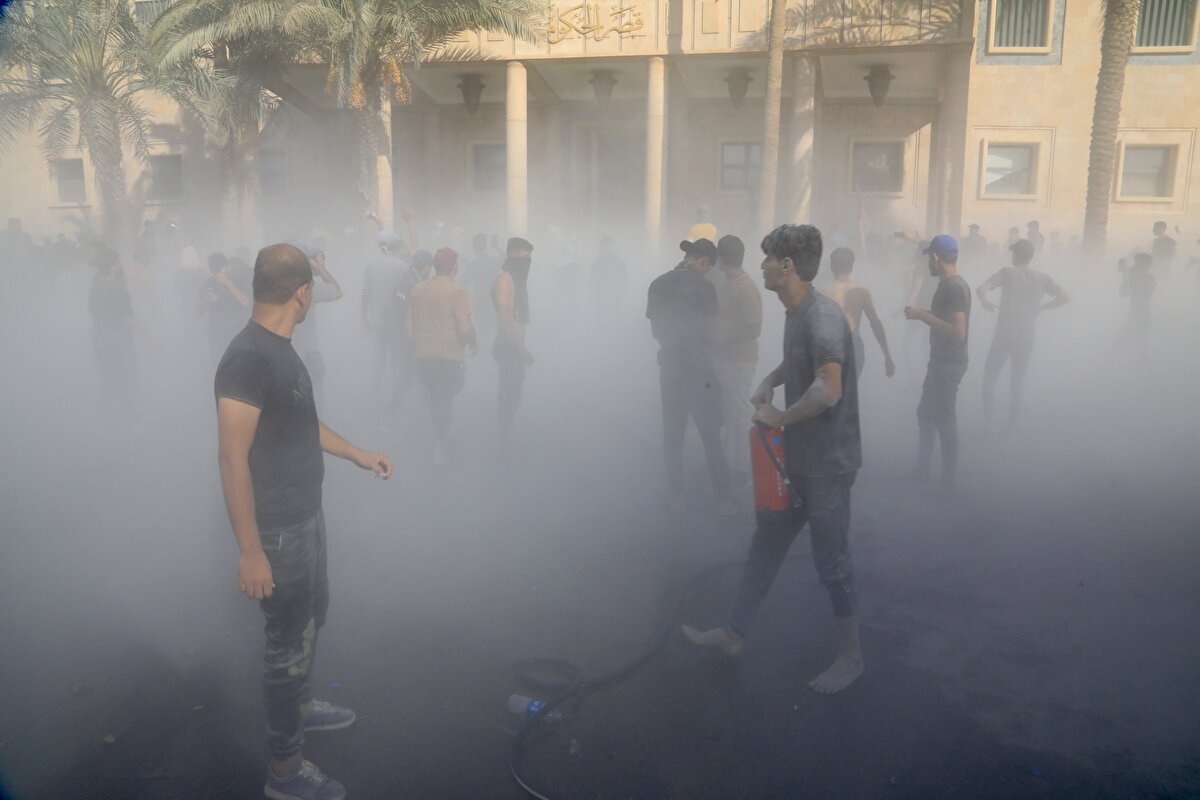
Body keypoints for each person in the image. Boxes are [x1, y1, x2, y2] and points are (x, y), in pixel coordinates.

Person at [215, 243, 392, 800]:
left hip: (306, 517)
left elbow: (302, 425)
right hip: (278, 532)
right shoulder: (248, 357)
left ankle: (303, 705)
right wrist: (250, 549)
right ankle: (285, 774)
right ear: (302, 292)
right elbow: (231, 456)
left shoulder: (280, 351)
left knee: (312, 622)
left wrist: (358, 453)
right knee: (286, 647)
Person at [682, 224, 863, 694]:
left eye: (767, 260)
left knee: (832, 562)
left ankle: (851, 658)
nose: (761, 266)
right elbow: (800, 360)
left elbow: (830, 387)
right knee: (766, 544)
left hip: (828, 462)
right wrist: (773, 378)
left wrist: (780, 416)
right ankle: (734, 634)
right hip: (798, 460)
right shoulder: (796, 311)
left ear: (786, 267)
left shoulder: (821, 316)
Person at [646, 238, 733, 513]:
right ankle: (724, 499)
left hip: (670, 368)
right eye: (709, 267)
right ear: (704, 262)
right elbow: (714, 331)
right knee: (710, 434)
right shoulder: (705, 287)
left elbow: (655, 331)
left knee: (672, 436)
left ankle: (677, 497)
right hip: (699, 370)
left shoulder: (657, 284)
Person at [977, 238, 1070, 429]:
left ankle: (988, 422)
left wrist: (984, 301)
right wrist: (1043, 308)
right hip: (1027, 335)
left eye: (1013, 253)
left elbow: (981, 289)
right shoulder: (1043, 277)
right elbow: (1065, 297)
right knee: (1017, 382)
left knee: (990, 378)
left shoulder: (1008, 273)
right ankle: (1011, 426)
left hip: (1004, 333)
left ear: (1017, 255)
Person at [905, 235, 971, 490]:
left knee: (944, 419)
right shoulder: (953, 284)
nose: (927, 265)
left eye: (928, 259)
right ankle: (923, 470)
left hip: (949, 362)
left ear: (935, 258)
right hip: (941, 360)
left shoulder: (952, 287)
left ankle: (948, 481)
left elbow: (958, 331)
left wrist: (922, 315)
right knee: (926, 413)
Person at [407, 247, 477, 465]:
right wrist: (473, 343)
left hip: (423, 355)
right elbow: (465, 328)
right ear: (454, 268)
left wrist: (416, 347)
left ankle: (441, 437)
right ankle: (440, 450)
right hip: (448, 356)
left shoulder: (418, 289)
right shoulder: (457, 292)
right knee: (443, 401)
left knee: (434, 399)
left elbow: (408, 326)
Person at [709, 234, 763, 476]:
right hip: (723, 358)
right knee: (728, 412)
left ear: (721, 258)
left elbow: (755, 328)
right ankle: (731, 463)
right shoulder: (726, 283)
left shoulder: (745, 287)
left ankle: (745, 469)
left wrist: (725, 339)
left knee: (739, 414)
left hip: (739, 360)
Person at [821, 247, 895, 380]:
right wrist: (887, 356)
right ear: (851, 267)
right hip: (853, 348)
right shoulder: (861, 292)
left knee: (829, 393)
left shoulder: (822, 292)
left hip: (830, 348)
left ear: (832, 267)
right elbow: (875, 323)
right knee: (848, 392)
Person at [492, 237, 535, 451]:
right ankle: (503, 440)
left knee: (515, 393)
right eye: (522, 257)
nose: (526, 263)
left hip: (515, 344)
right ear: (511, 256)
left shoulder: (517, 280)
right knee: (508, 393)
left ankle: (506, 436)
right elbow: (505, 319)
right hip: (508, 345)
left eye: (529, 258)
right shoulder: (505, 280)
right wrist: (521, 349)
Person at [88, 245, 136, 421]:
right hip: (118, 342)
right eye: (119, 262)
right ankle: (128, 421)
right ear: (113, 265)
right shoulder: (117, 290)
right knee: (124, 381)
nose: (121, 265)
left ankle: (104, 422)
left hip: (102, 341)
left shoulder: (96, 286)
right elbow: (128, 319)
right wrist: (154, 340)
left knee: (109, 382)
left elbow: (94, 316)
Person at [361, 231, 408, 407]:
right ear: (395, 246)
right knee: (396, 360)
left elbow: (365, 295)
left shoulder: (371, 266)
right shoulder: (402, 266)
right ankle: (393, 400)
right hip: (396, 321)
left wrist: (364, 320)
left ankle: (376, 397)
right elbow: (405, 294)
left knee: (378, 361)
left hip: (377, 322)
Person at [289, 242, 343, 390]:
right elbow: (337, 291)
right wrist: (321, 268)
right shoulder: (308, 288)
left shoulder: (275, 285)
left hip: (284, 353)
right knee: (314, 401)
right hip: (308, 354)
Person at [201, 252, 250, 364]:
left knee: (239, 364)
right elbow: (199, 310)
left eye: (221, 269)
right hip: (217, 333)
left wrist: (228, 282)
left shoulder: (237, 280)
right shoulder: (208, 283)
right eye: (215, 271)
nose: (219, 274)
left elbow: (245, 301)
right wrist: (205, 301)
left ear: (228, 267)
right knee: (217, 365)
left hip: (236, 332)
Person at [1119, 253, 1156, 357]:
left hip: (1141, 319)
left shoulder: (1150, 278)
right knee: (1141, 350)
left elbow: (1140, 292)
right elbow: (1122, 293)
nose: (1135, 265)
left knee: (1118, 347)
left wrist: (1129, 276)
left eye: (1137, 263)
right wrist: (1125, 277)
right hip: (1134, 319)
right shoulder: (1136, 277)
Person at [589, 236, 628, 316]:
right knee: (601, 313)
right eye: (604, 247)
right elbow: (592, 276)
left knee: (614, 313)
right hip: (601, 293)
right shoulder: (598, 261)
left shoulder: (618, 261)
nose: (606, 249)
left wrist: (621, 287)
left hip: (614, 293)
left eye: (609, 247)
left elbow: (624, 277)